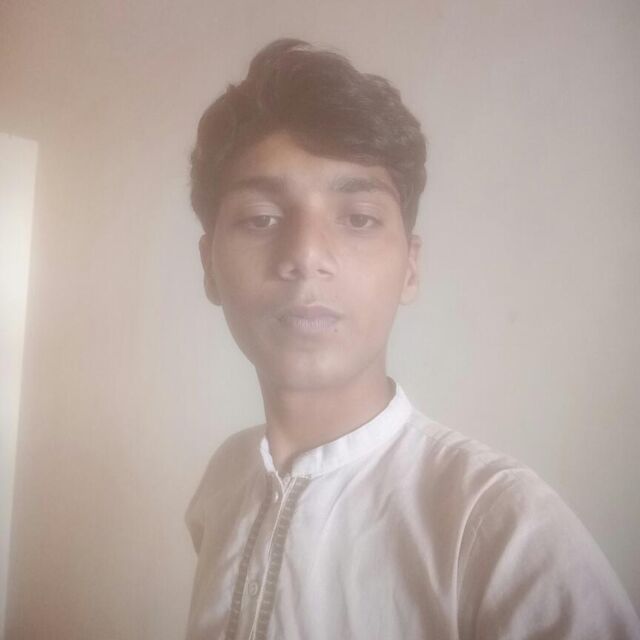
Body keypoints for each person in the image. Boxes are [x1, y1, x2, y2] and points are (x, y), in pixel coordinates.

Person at [184, 38, 640, 640]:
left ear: (410, 268)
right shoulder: (222, 485)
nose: (306, 254)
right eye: (261, 218)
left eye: (359, 218)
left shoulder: (502, 530)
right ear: (209, 267)